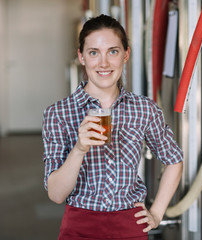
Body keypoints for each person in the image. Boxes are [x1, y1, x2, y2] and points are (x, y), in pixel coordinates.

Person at [42, 14, 183, 240]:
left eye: (113, 51)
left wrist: (156, 213)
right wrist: (79, 149)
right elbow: (56, 195)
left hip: (129, 226)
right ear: (81, 57)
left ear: (126, 55)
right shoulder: (58, 113)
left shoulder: (144, 109)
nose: (104, 63)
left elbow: (174, 160)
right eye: (94, 53)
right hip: (79, 227)